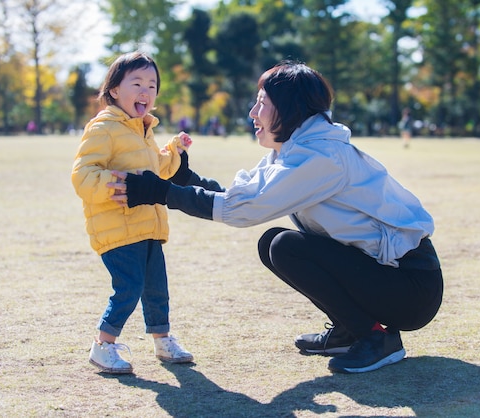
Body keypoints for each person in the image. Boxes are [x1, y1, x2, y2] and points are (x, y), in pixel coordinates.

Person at [108, 62, 443, 374]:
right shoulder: (296, 150)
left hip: (410, 287)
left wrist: (157, 192)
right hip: (385, 275)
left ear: (288, 107)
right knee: (274, 243)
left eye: (261, 103)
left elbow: (242, 212)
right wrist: (183, 177)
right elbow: (240, 197)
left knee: (284, 245)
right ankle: (350, 330)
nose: (253, 113)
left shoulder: (322, 156)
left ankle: (376, 339)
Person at [71, 51, 194, 374]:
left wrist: (174, 151)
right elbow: (82, 174)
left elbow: (158, 171)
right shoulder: (104, 127)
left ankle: (162, 339)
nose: (145, 91)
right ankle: (103, 345)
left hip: (148, 225)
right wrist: (114, 183)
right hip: (117, 226)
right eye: (136, 83)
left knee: (156, 287)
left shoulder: (143, 129)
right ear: (114, 90)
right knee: (129, 287)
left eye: (152, 85)